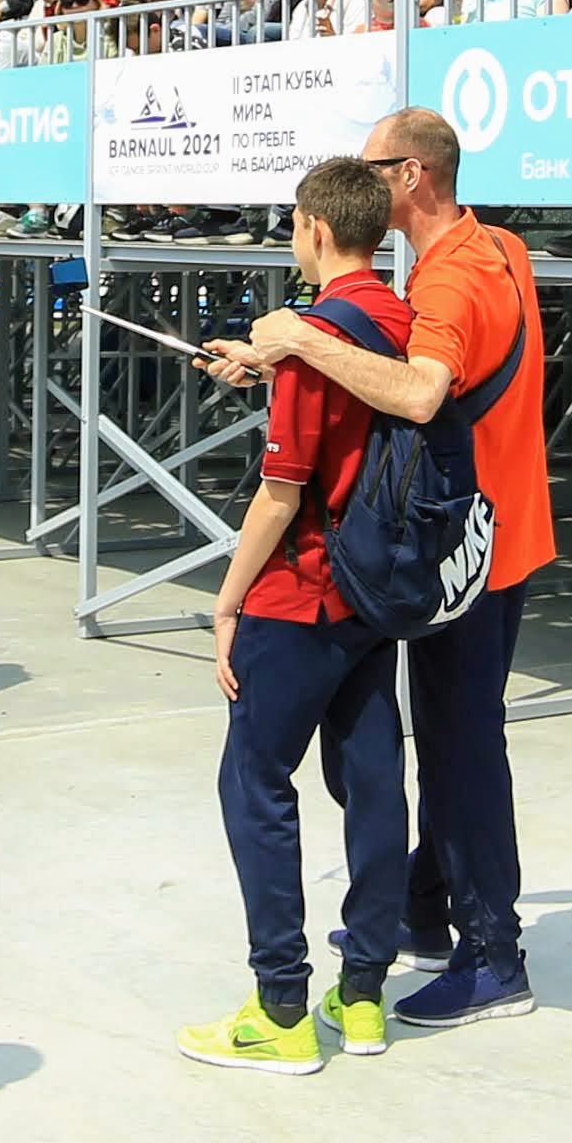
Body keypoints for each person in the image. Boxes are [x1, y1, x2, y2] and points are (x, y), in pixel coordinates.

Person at [212, 106, 550, 1025]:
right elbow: (404, 377)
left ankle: (494, 954)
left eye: (373, 164)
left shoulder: (445, 281)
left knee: (460, 748)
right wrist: (280, 360)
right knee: (441, 740)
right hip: (508, 527)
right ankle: (424, 907)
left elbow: (421, 389)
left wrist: (299, 338)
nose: (361, 179)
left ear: (412, 176)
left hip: (458, 549)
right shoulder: (503, 249)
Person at [183, 153, 419, 1073]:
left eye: (292, 225)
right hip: (376, 590)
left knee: (254, 779)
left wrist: (227, 599)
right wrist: (267, 364)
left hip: (301, 591)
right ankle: (363, 994)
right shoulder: (401, 319)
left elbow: (281, 492)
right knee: (373, 780)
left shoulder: (314, 338)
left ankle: (280, 1002)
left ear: (315, 228)